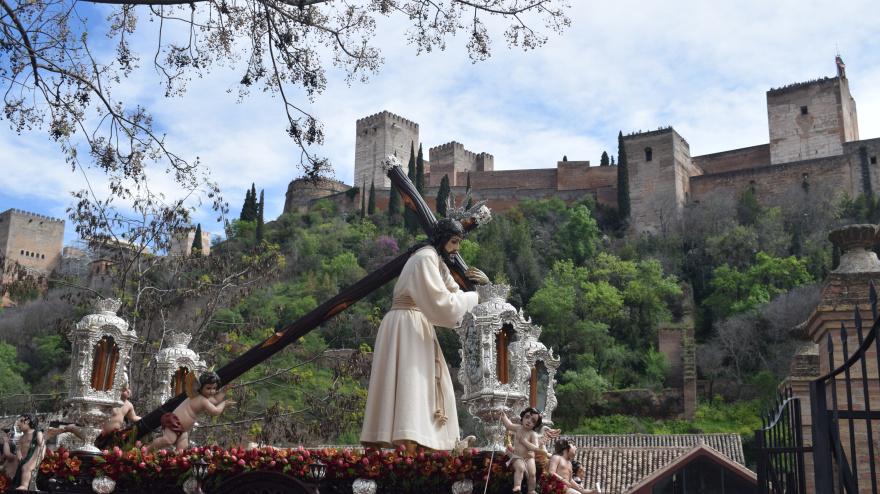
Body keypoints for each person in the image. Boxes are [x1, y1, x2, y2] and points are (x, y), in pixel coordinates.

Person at [360, 218, 488, 452]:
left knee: (428, 384)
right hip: (407, 323)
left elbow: (454, 292)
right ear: (441, 239)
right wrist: (476, 298)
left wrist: (484, 288)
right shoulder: (425, 257)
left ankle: (430, 445)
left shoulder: (436, 260)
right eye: (454, 241)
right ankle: (411, 444)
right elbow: (444, 304)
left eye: (459, 242)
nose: (457, 248)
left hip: (415, 324)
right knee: (412, 384)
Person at [146, 371, 235, 453]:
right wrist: (224, 404)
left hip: (183, 429)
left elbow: (215, 400)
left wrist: (224, 391)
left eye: (214, 388)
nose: (212, 391)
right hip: (174, 422)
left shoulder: (204, 398)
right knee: (168, 440)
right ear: (200, 387)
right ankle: (148, 451)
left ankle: (173, 464)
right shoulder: (202, 400)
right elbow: (215, 411)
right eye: (208, 388)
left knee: (183, 447)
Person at [47, 383, 141, 448]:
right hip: (98, 430)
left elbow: (133, 418)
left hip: (113, 434)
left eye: (129, 389)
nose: (128, 391)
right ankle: (69, 428)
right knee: (91, 441)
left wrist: (145, 418)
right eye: (125, 390)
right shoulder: (109, 402)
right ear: (117, 391)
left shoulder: (129, 405)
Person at [499, 407, 560, 494]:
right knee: (520, 467)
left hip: (529, 458)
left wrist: (525, 442)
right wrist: (504, 416)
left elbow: (535, 448)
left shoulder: (533, 434)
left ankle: (531, 490)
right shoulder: (518, 428)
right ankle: (517, 486)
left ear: (535, 424)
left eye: (533, 421)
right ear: (523, 417)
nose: (529, 421)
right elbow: (509, 425)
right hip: (518, 456)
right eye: (527, 417)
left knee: (532, 473)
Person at [9, 413, 43, 490]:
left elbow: (41, 444)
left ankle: (24, 486)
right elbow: (18, 449)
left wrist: (41, 455)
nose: (19, 424)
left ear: (27, 421)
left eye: (21, 421)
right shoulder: (22, 437)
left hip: (34, 456)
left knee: (26, 468)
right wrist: (19, 455)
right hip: (23, 459)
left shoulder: (37, 433)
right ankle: (26, 486)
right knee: (20, 471)